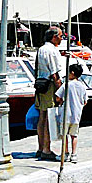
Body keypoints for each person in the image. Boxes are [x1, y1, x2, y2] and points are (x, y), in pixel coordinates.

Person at [35, 27, 64, 161]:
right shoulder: (52, 51)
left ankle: (41, 147)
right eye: (60, 36)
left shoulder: (41, 49)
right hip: (49, 85)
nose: (62, 38)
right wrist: (60, 91)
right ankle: (46, 149)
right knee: (48, 116)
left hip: (40, 83)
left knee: (42, 115)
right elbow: (55, 73)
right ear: (54, 37)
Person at [55, 63, 88, 163]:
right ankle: (74, 154)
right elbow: (85, 101)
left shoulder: (66, 85)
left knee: (64, 135)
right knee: (74, 135)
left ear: (72, 73)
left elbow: (57, 97)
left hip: (66, 115)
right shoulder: (82, 86)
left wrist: (61, 101)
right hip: (76, 115)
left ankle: (65, 154)